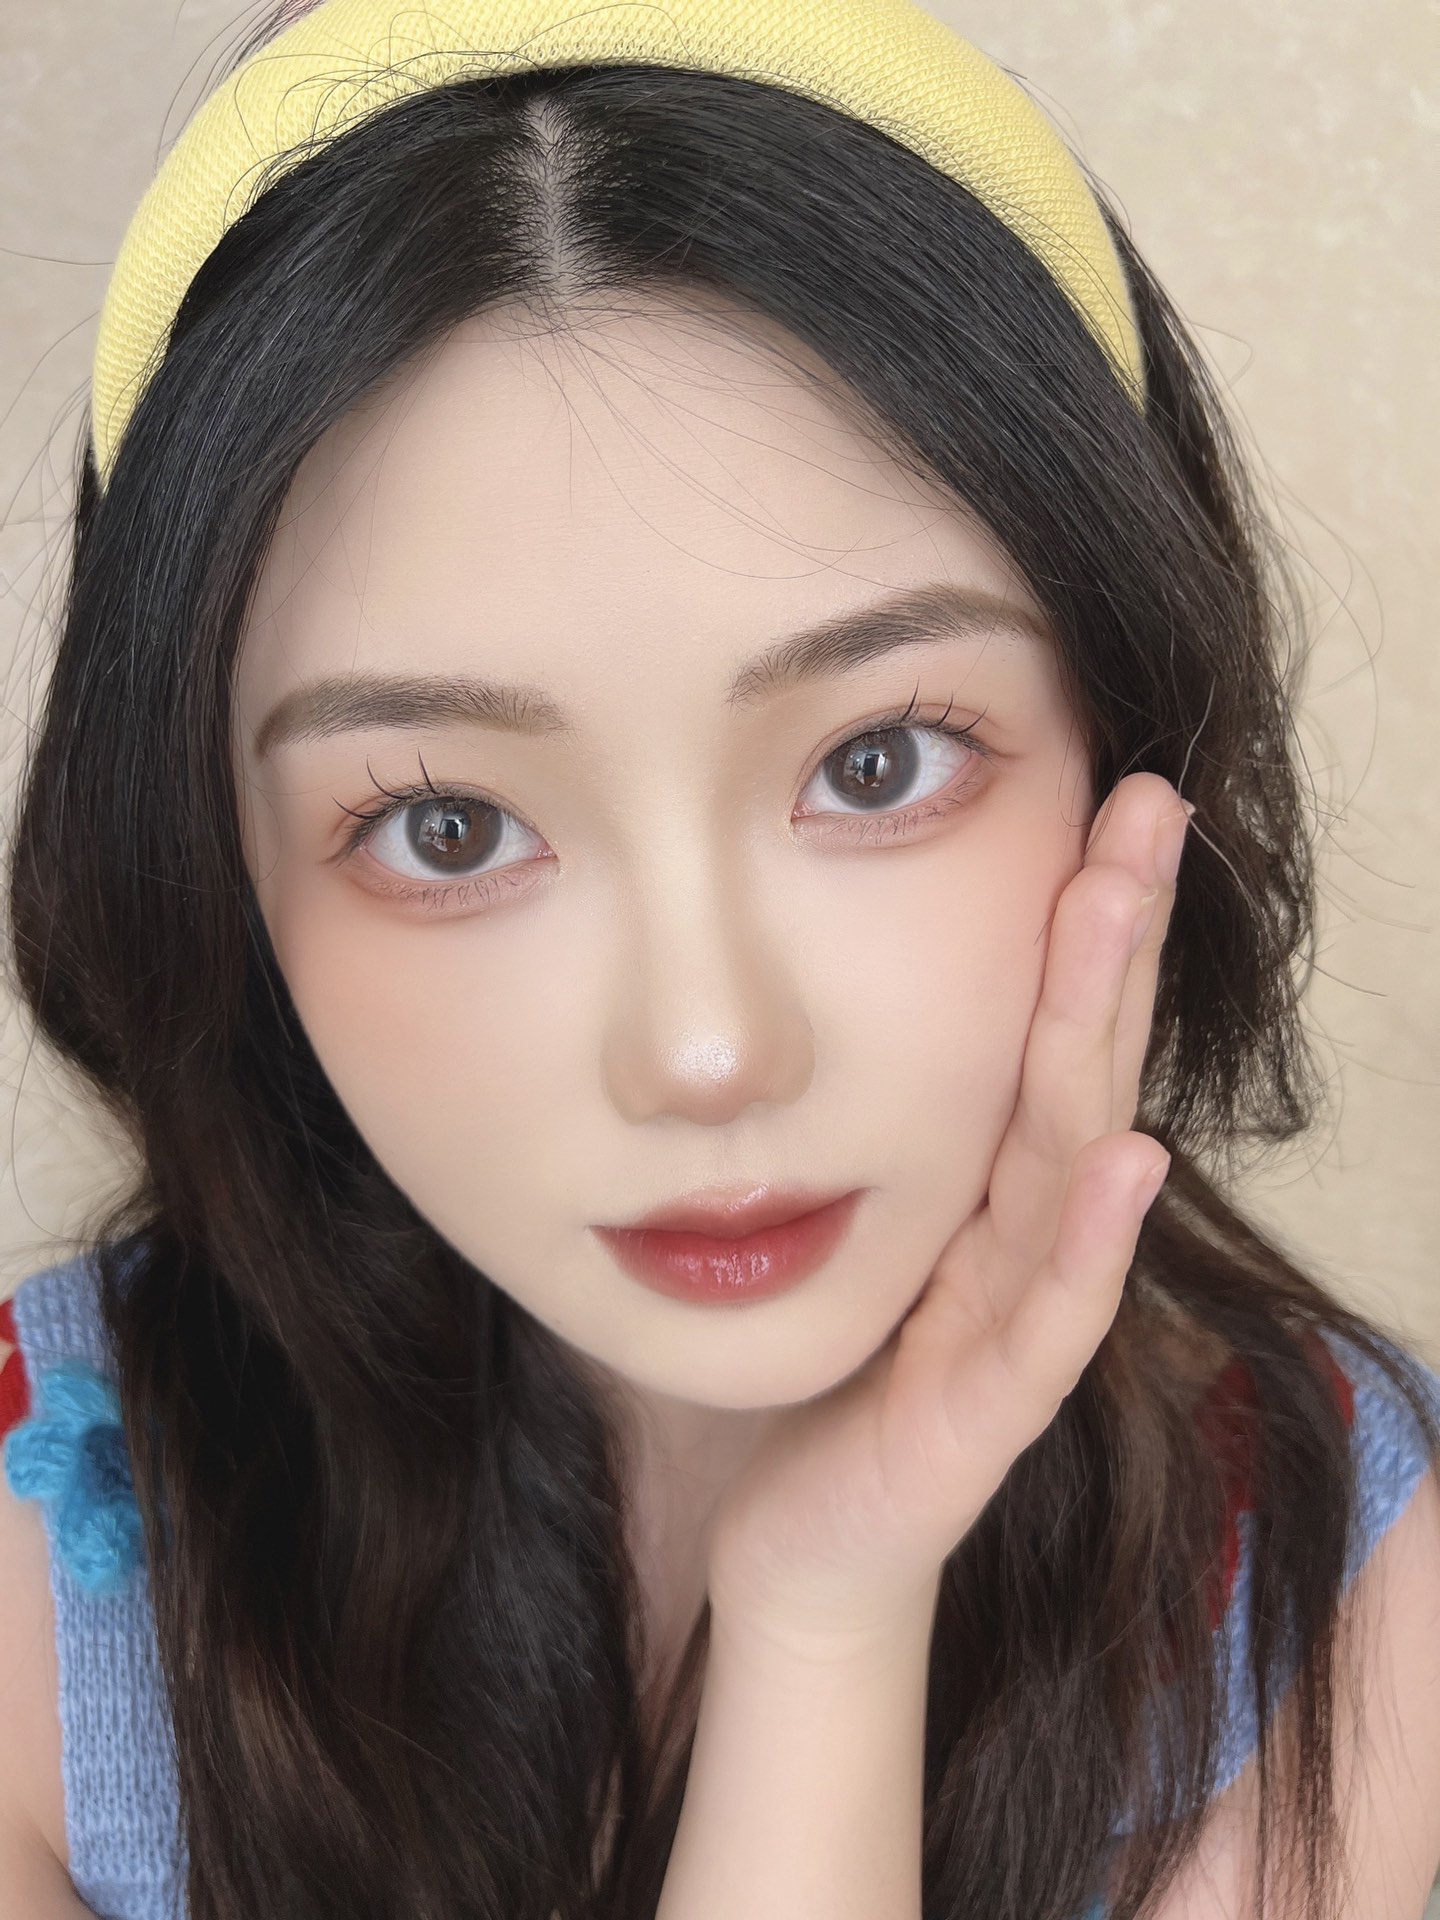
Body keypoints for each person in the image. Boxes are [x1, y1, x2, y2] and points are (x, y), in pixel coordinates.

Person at [1, 2, 1437, 1916]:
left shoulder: (1346, 1583)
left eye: (877, 763)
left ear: (1128, 746)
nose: (704, 1050)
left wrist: (827, 1611)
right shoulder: (41, 1567)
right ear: (215, 869)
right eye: (449, 827)